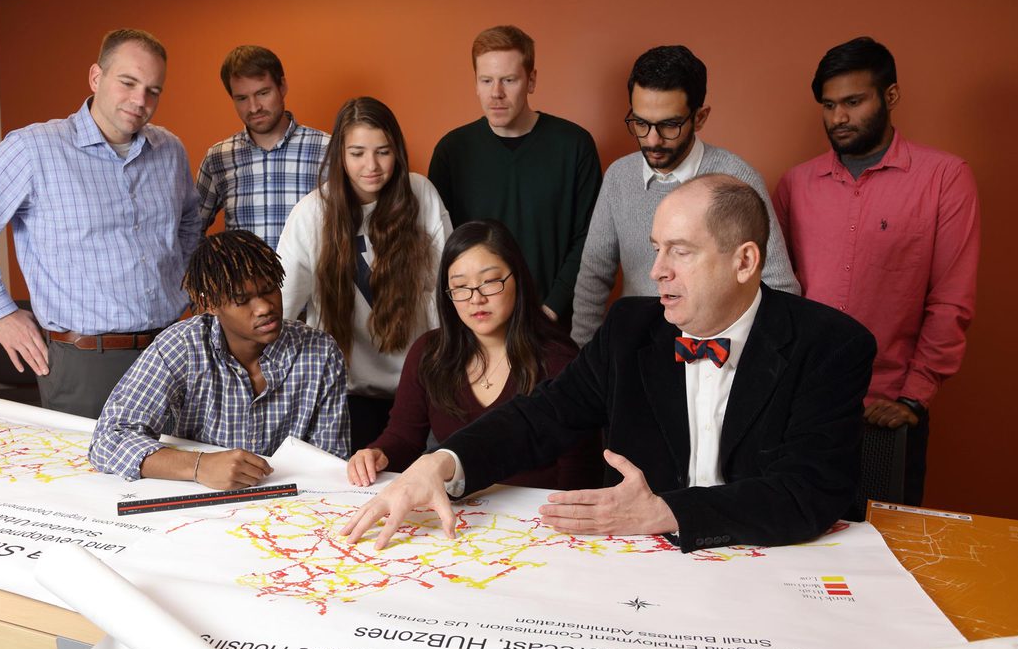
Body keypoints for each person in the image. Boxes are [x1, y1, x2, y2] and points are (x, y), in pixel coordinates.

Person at [342, 175, 875, 552]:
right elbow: (540, 417)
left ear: (745, 261)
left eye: (680, 251)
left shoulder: (830, 344)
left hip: (780, 567)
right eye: (655, 248)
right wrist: (442, 463)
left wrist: (668, 512)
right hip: (650, 569)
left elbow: (810, 490)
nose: (656, 270)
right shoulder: (630, 329)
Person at [0, 28, 201, 419]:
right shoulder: (34, 148)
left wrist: (186, 290)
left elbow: (189, 222)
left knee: (189, 472)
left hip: (172, 348)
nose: (140, 100)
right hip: (85, 363)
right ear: (96, 77)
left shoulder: (169, 150)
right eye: (128, 82)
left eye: (153, 90)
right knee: (91, 479)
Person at [773, 37, 980, 506]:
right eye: (828, 105)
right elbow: (776, 296)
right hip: (800, 407)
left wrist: (913, 397)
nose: (838, 118)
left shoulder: (944, 178)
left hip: (885, 410)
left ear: (890, 96)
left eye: (852, 101)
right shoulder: (795, 184)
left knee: (885, 549)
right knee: (792, 548)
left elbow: (951, 299)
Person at [571, 45, 799, 347]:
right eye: (640, 123)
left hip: (720, 359)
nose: (652, 140)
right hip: (637, 353)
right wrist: (583, 362)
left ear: (700, 118)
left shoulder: (738, 179)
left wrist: (746, 368)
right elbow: (592, 280)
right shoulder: (618, 176)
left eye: (669, 125)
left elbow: (780, 287)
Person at [348, 220, 600, 490]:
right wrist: (377, 454)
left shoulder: (559, 360)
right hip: (462, 516)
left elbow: (581, 472)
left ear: (518, 278)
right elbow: (404, 438)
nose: (475, 298)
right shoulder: (429, 353)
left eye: (490, 282)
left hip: (537, 521)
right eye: (460, 287)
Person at [89, 230, 348, 488]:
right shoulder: (181, 346)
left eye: (269, 289)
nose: (264, 308)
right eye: (241, 300)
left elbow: (330, 462)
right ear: (211, 304)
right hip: (198, 506)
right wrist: (199, 466)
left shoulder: (320, 352)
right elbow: (108, 439)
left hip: (288, 507)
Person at [279, 97, 451, 450]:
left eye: (383, 152)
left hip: (419, 391)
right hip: (346, 397)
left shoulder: (421, 194)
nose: (371, 165)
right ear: (340, 155)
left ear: (398, 152)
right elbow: (280, 307)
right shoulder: (311, 214)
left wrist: (446, 372)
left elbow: (444, 293)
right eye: (357, 153)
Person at [428, 25, 601, 326]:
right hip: (476, 325)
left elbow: (590, 238)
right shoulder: (451, 151)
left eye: (509, 80)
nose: (496, 93)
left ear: (531, 80)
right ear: (476, 84)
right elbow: (442, 244)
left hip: (553, 324)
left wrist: (551, 308)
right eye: (486, 80)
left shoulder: (574, 145)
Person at [196, 45, 329, 250]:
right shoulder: (218, 158)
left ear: (282, 86)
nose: (254, 107)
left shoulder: (327, 149)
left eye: (263, 93)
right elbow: (190, 233)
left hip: (312, 282)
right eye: (241, 98)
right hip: (243, 282)